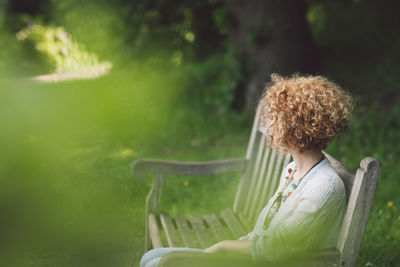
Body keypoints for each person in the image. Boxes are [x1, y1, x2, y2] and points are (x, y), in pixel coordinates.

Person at [140, 73, 353, 267]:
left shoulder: (324, 187)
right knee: (151, 257)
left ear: (297, 126)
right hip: (254, 258)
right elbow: (264, 233)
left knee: (158, 264)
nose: (268, 126)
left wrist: (224, 247)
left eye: (275, 118)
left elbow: (275, 248)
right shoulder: (292, 171)